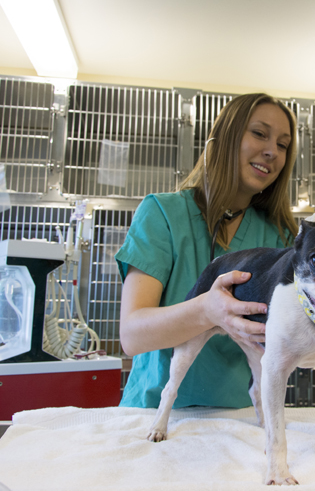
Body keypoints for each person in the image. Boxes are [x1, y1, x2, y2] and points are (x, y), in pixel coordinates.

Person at [115, 93, 298, 409]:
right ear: (225, 138)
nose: (272, 152)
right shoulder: (163, 214)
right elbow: (132, 336)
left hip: (239, 418)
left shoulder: (280, 236)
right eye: (259, 133)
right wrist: (207, 310)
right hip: (155, 415)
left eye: (282, 145)